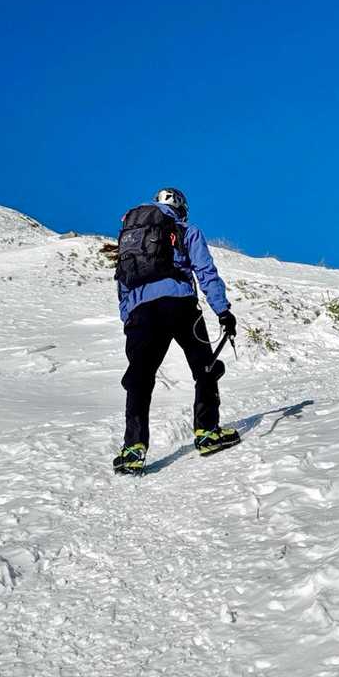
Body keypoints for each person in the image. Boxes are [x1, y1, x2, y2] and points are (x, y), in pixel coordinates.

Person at [113, 188, 240, 475]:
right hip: (180, 305)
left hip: (140, 312)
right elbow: (205, 271)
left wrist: (129, 318)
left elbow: (122, 282)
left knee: (139, 378)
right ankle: (207, 432)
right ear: (181, 208)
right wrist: (223, 311)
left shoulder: (130, 236)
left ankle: (133, 448)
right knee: (204, 366)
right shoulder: (186, 230)